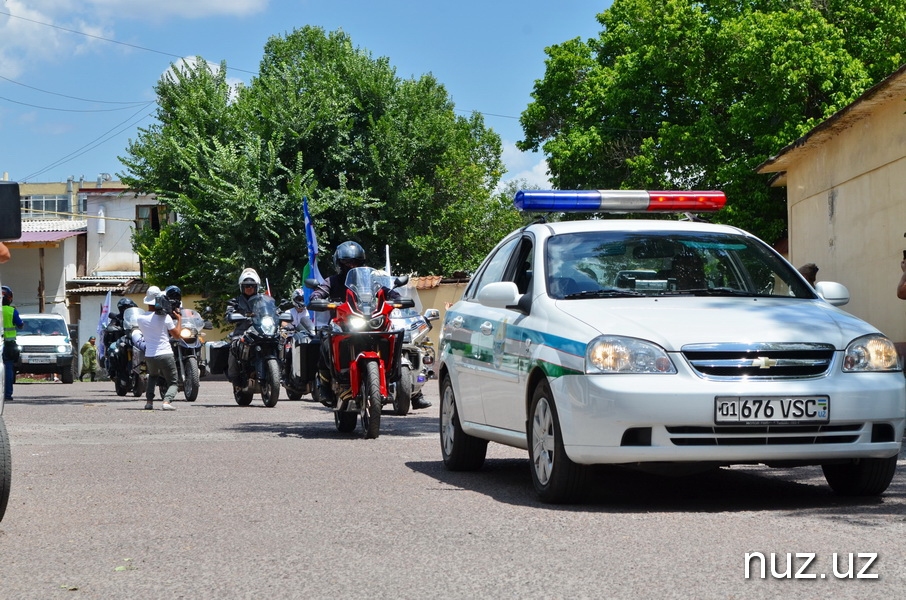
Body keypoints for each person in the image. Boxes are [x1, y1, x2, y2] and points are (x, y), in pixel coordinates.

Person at [311, 241, 432, 410]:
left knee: (399, 341)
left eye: (355, 262)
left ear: (362, 263)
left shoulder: (371, 280)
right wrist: (317, 298)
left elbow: (388, 291)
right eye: (347, 263)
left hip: (371, 320)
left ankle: (412, 392)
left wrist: (397, 298)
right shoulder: (332, 281)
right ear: (339, 264)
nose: (351, 266)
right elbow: (320, 292)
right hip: (344, 324)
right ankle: (324, 386)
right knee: (325, 342)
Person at [136, 285, 181, 411]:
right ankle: (166, 401)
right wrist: (179, 319)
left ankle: (149, 402)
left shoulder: (140, 318)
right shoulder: (165, 317)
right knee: (173, 381)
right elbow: (176, 336)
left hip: (150, 355)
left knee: (153, 377)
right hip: (165, 353)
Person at [225, 268, 264, 388]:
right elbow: (228, 314)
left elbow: (273, 310)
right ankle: (235, 377)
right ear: (242, 287)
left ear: (256, 287)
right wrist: (232, 316)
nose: (249, 288)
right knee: (234, 347)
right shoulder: (235, 301)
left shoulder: (263, 300)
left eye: (252, 286)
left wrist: (277, 311)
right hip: (242, 331)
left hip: (262, 331)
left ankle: (280, 371)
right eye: (246, 286)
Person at [2, 286, 24, 401]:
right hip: (8, 345)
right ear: (9, 298)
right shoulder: (12, 311)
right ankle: (7, 395)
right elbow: (20, 324)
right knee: (8, 369)